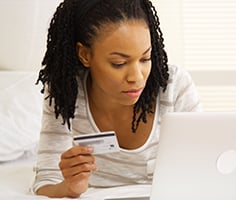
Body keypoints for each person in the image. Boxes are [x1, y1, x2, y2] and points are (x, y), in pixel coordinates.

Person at [32, 0, 202, 198]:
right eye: (119, 63)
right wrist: (71, 187)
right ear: (85, 55)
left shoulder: (174, 86)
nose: (137, 77)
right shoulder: (66, 90)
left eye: (145, 59)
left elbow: (204, 164)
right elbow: (46, 181)